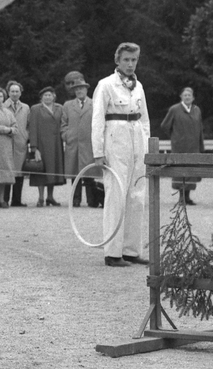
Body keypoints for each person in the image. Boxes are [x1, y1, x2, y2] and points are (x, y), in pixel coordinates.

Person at [91, 43, 150, 267]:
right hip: (115, 141)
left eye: (134, 60)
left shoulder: (139, 86)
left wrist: (147, 148)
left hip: (137, 140)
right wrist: (98, 151)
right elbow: (97, 120)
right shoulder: (106, 85)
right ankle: (113, 253)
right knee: (116, 194)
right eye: (126, 59)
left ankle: (131, 250)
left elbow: (145, 119)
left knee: (137, 195)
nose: (130, 64)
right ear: (118, 60)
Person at [160, 87, 205, 204]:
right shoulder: (174, 109)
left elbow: (200, 128)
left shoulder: (196, 110)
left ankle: (187, 197)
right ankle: (181, 197)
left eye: (189, 95)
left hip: (193, 146)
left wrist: (201, 145)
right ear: (181, 97)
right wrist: (175, 136)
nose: (187, 97)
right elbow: (165, 125)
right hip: (179, 146)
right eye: (185, 95)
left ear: (193, 97)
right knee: (180, 171)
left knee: (191, 171)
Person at [61, 76, 101, 208]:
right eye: (77, 89)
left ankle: (91, 200)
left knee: (89, 172)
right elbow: (63, 123)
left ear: (86, 90)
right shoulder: (68, 105)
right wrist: (67, 135)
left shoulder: (95, 103)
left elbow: (99, 122)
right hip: (73, 144)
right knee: (75, 174)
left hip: (89, 144)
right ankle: (76, 200)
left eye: (81, 88)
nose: (79, 91)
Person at [28, 87, 64, 206]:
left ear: (54, 96)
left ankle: (50, 196)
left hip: (56, 144)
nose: (48, 97)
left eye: (50, 95)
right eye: (45, 95)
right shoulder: (36, 109)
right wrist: (34, 148)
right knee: (41, 170)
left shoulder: (60, 108)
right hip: (42, 144)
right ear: (41, 97)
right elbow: (32, 128)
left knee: (53, 170)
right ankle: (40, 197)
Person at [6, 81, 30, 207]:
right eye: (12, 91)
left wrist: (26, 136)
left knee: (19, 171)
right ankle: (4, 199)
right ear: (8, 93)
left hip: (21, 143)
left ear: (20, 93)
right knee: (7, 170)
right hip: (6, 143)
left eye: (17, 91)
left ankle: (16, 200)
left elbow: (29, 124)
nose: (14, 93)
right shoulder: (3, 106)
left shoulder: (25, 108)